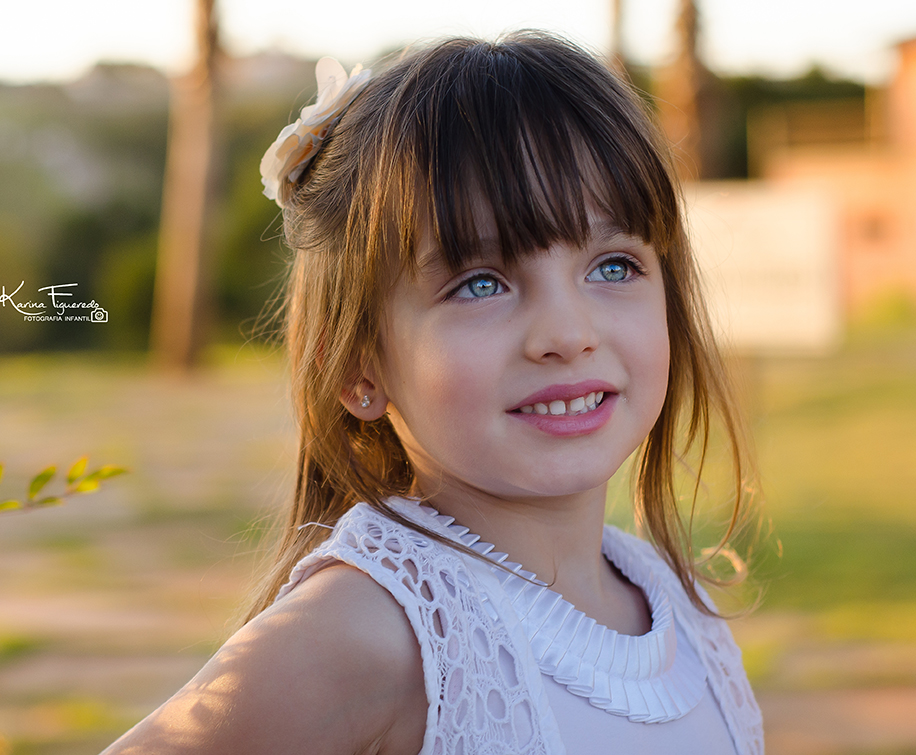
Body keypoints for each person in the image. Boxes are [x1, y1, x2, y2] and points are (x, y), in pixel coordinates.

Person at [103, 31, 764, 754]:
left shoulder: (679, 607)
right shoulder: (372, 632)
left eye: (612, 266)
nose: (568, 333)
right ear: (358, 367)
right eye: (481, 283)